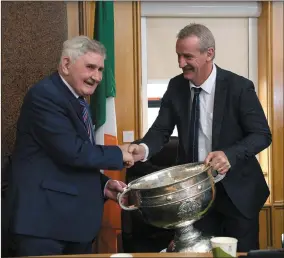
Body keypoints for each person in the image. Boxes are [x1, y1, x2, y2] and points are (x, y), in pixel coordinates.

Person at [128, 23, 272, 252]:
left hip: (239, 195)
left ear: (209, 54)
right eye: (178, 56)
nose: (180, 63)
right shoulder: (176, 87)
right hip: (196, 196)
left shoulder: (239, 87)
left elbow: (262, 135)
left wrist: (229, 155)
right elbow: (160, 130)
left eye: (187, 56)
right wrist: (143, 148)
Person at [4, 36, 134, 257]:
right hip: (44, 228)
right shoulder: (44, 96)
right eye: (90, 67)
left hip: (71, 226)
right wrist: (119, 153)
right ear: (66, 64)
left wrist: (103, 185)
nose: (97, 77)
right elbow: (72, 152)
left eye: (100, 69)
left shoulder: (78, 100)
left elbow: (62, 162)